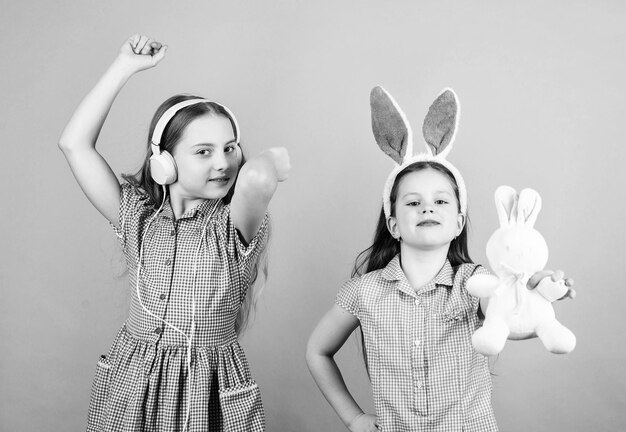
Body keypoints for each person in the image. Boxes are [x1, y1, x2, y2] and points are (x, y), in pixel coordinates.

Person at [305, 87, 574, 432]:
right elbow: (317, 351)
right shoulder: (363, 292)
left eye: (441, 201)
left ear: (459, 222)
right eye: (413, 203)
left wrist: (535, 290)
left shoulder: (474, 283)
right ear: (393, 223)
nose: (427, 207)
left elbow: (513, 321)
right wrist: (354, 418)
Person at [58, 34, 290, 432]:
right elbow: (74, 144)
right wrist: (124, 67)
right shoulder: (138, 217)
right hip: (132, 382)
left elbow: (256, 179)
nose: (223, 163)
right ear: (163, 163)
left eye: (230, 147)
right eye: (203, 151)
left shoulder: (233, 226)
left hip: (206, 390)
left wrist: (269, 162)